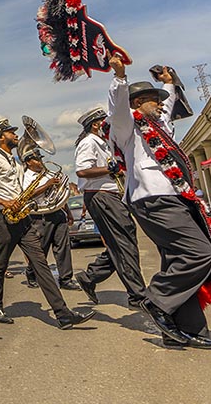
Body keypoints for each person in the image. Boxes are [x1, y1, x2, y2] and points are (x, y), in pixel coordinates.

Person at [108, 55, 211, 349]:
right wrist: (120, 76)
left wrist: (168, 84)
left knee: (177, 259)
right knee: (200, 254)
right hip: (152, 198)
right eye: (152, 101)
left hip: (174, 197)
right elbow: (118, 107)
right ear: (137, 103)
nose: (160, 105)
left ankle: (185, 330)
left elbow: (168, 106)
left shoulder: (160, 126)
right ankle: (156, 300)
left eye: (159, 101)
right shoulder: (127, 128)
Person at [0, 118, 94, 329]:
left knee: (41, 264)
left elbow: (20, 190)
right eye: (11, 132)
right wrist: (4, 201)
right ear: (1, 136)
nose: (16, 135)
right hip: (2, 217)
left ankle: (63, 314)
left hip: (22, 218)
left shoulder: (15, 161)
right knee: (0, 265)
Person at [72, 107, 147, 309]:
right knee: (124, 243)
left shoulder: (102, 143)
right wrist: (109, 169)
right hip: (101, 195)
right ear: (96, 124)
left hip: (109, 195)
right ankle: (137, 294)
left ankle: (90, 277)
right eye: (104, 120)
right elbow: (82, 171)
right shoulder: (89, 142)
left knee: (122, 241)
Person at [21, 149, 80, 291]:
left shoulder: (48, 174)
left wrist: (68, 213)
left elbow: (58, 194)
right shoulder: (25, 176)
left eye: (40, 158)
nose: (40, 161)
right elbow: (27, 194)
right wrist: (47, 185)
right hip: (39, 216)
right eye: (36, 159)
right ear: (28, 162)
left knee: (63, 247)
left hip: (57, 213)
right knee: (41, 249)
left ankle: (65, 279)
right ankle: (31, 272)